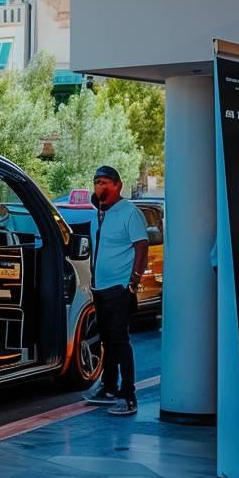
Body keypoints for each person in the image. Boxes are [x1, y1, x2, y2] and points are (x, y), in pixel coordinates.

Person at [81, 166, 149, 416]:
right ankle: (109, 387)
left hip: (119, 287)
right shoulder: (97, 215)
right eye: (97, 182)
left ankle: (128, 395)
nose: (100, 187)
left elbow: (141, 247)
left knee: (120, 341)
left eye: (106, 182)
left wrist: (133, 281)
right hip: (100, 288)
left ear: (118, 185)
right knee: (107, 340)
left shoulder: (129, 213)